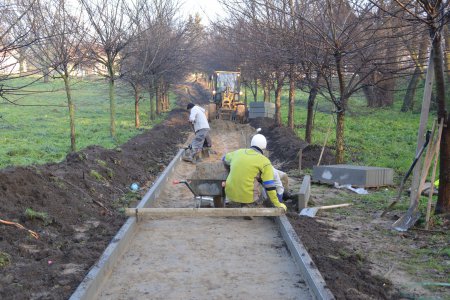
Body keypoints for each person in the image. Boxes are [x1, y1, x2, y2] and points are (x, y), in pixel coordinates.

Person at [222, 133, 287, 213]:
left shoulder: (238, 152)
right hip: (248, 196)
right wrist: (277, 203)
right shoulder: (265, 162)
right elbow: (269, 186)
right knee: (260, 184)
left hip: (229, 193)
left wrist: (230, 169)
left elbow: (224, 158)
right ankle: (250, 205)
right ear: (264, 148)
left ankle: (231, 202)